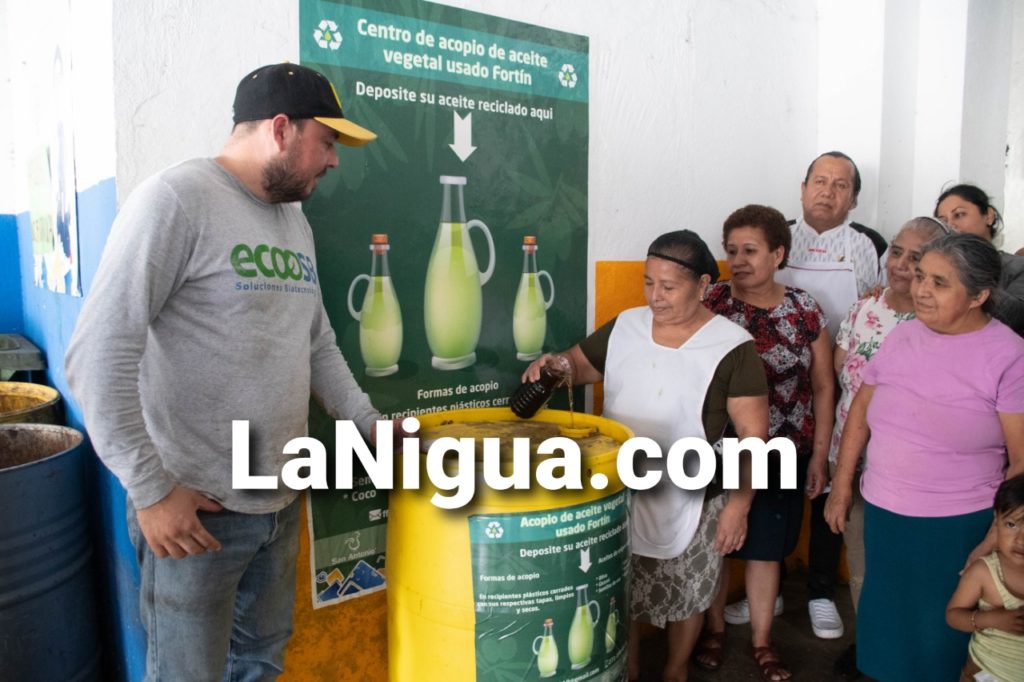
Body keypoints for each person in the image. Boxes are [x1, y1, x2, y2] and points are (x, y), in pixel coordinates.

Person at [65, 63, 384, 680]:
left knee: (260, 664)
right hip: (197, 520)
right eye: (328, 141)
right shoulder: (175, 201)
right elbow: (97, 354)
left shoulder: (294, 221)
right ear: (282, 129)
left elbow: (317, 342)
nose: (334, 161)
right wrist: (152, 492)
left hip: (281, 504)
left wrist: (369, 424)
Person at [522, 230, 769, 682]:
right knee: (623, 590)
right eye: (648, 282)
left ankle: (675, 671)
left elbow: (754, 434)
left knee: (686, 593)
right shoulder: (625, 326)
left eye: (669, 287)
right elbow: (577, 367)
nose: (656, 297)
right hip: (621, 485)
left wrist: (739, 505)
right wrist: (553, 366)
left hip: (694, 491)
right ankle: (630, 671)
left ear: (703, 287)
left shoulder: (732, 346)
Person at [825, 233, 1024, 681]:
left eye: (939, 282)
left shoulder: (1009, 355)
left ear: (979, 296)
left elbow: (1021, 462)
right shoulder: (902, 335)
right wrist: (840, 489)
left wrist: (994, 537)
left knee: (942, 631)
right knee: (886, 617)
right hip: (884, 510)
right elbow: (860, 412)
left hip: (959, 522)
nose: (920, 290)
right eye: (919, 277)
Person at [725, 152, 882, 642]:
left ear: (853, 197)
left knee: (827, 491)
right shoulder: (776, 237)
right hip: (764, 400)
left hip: (834, 388)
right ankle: (765, 592)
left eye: (840, 185)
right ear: (802, 187)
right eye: (820, 180)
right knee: (772, 501)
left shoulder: (867, 246)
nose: (827, 191)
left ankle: (818, 591)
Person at [700, 204, 835, 682]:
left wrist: (819, 454)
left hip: (782, 451)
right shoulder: (711, 302)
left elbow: (822, 386)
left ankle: (762, 642)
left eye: (750, 250)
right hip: (718, 450)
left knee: (765, 546)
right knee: (716, 542)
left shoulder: (802, 308)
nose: (738, 260)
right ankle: (713, 629)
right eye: (731, 250)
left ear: (778, 253)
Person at [827, 216, 949, 679]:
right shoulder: (864, 309)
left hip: (905, 469)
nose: (901, 265)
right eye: (896, 251)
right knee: (861, 562)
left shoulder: (935, 323)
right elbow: (843, 383)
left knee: (909, 566)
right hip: (850, 457)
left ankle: (915, 654)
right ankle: (872, 649)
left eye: (916, 258)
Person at [946, 474, 1024, 682]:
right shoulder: (984, 572)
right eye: (1011, 525)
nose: (1020, 539)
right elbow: (953, 615)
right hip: (987, 672)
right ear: (996, 520)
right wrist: (990, 619)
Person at [935, 183, 1024, 335]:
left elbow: (1016, 317)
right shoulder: (933, 268)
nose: (951, 225)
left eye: (959, 214)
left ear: (989, 215)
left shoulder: (1017, 266)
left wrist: (965, 268)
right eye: (943, 221)